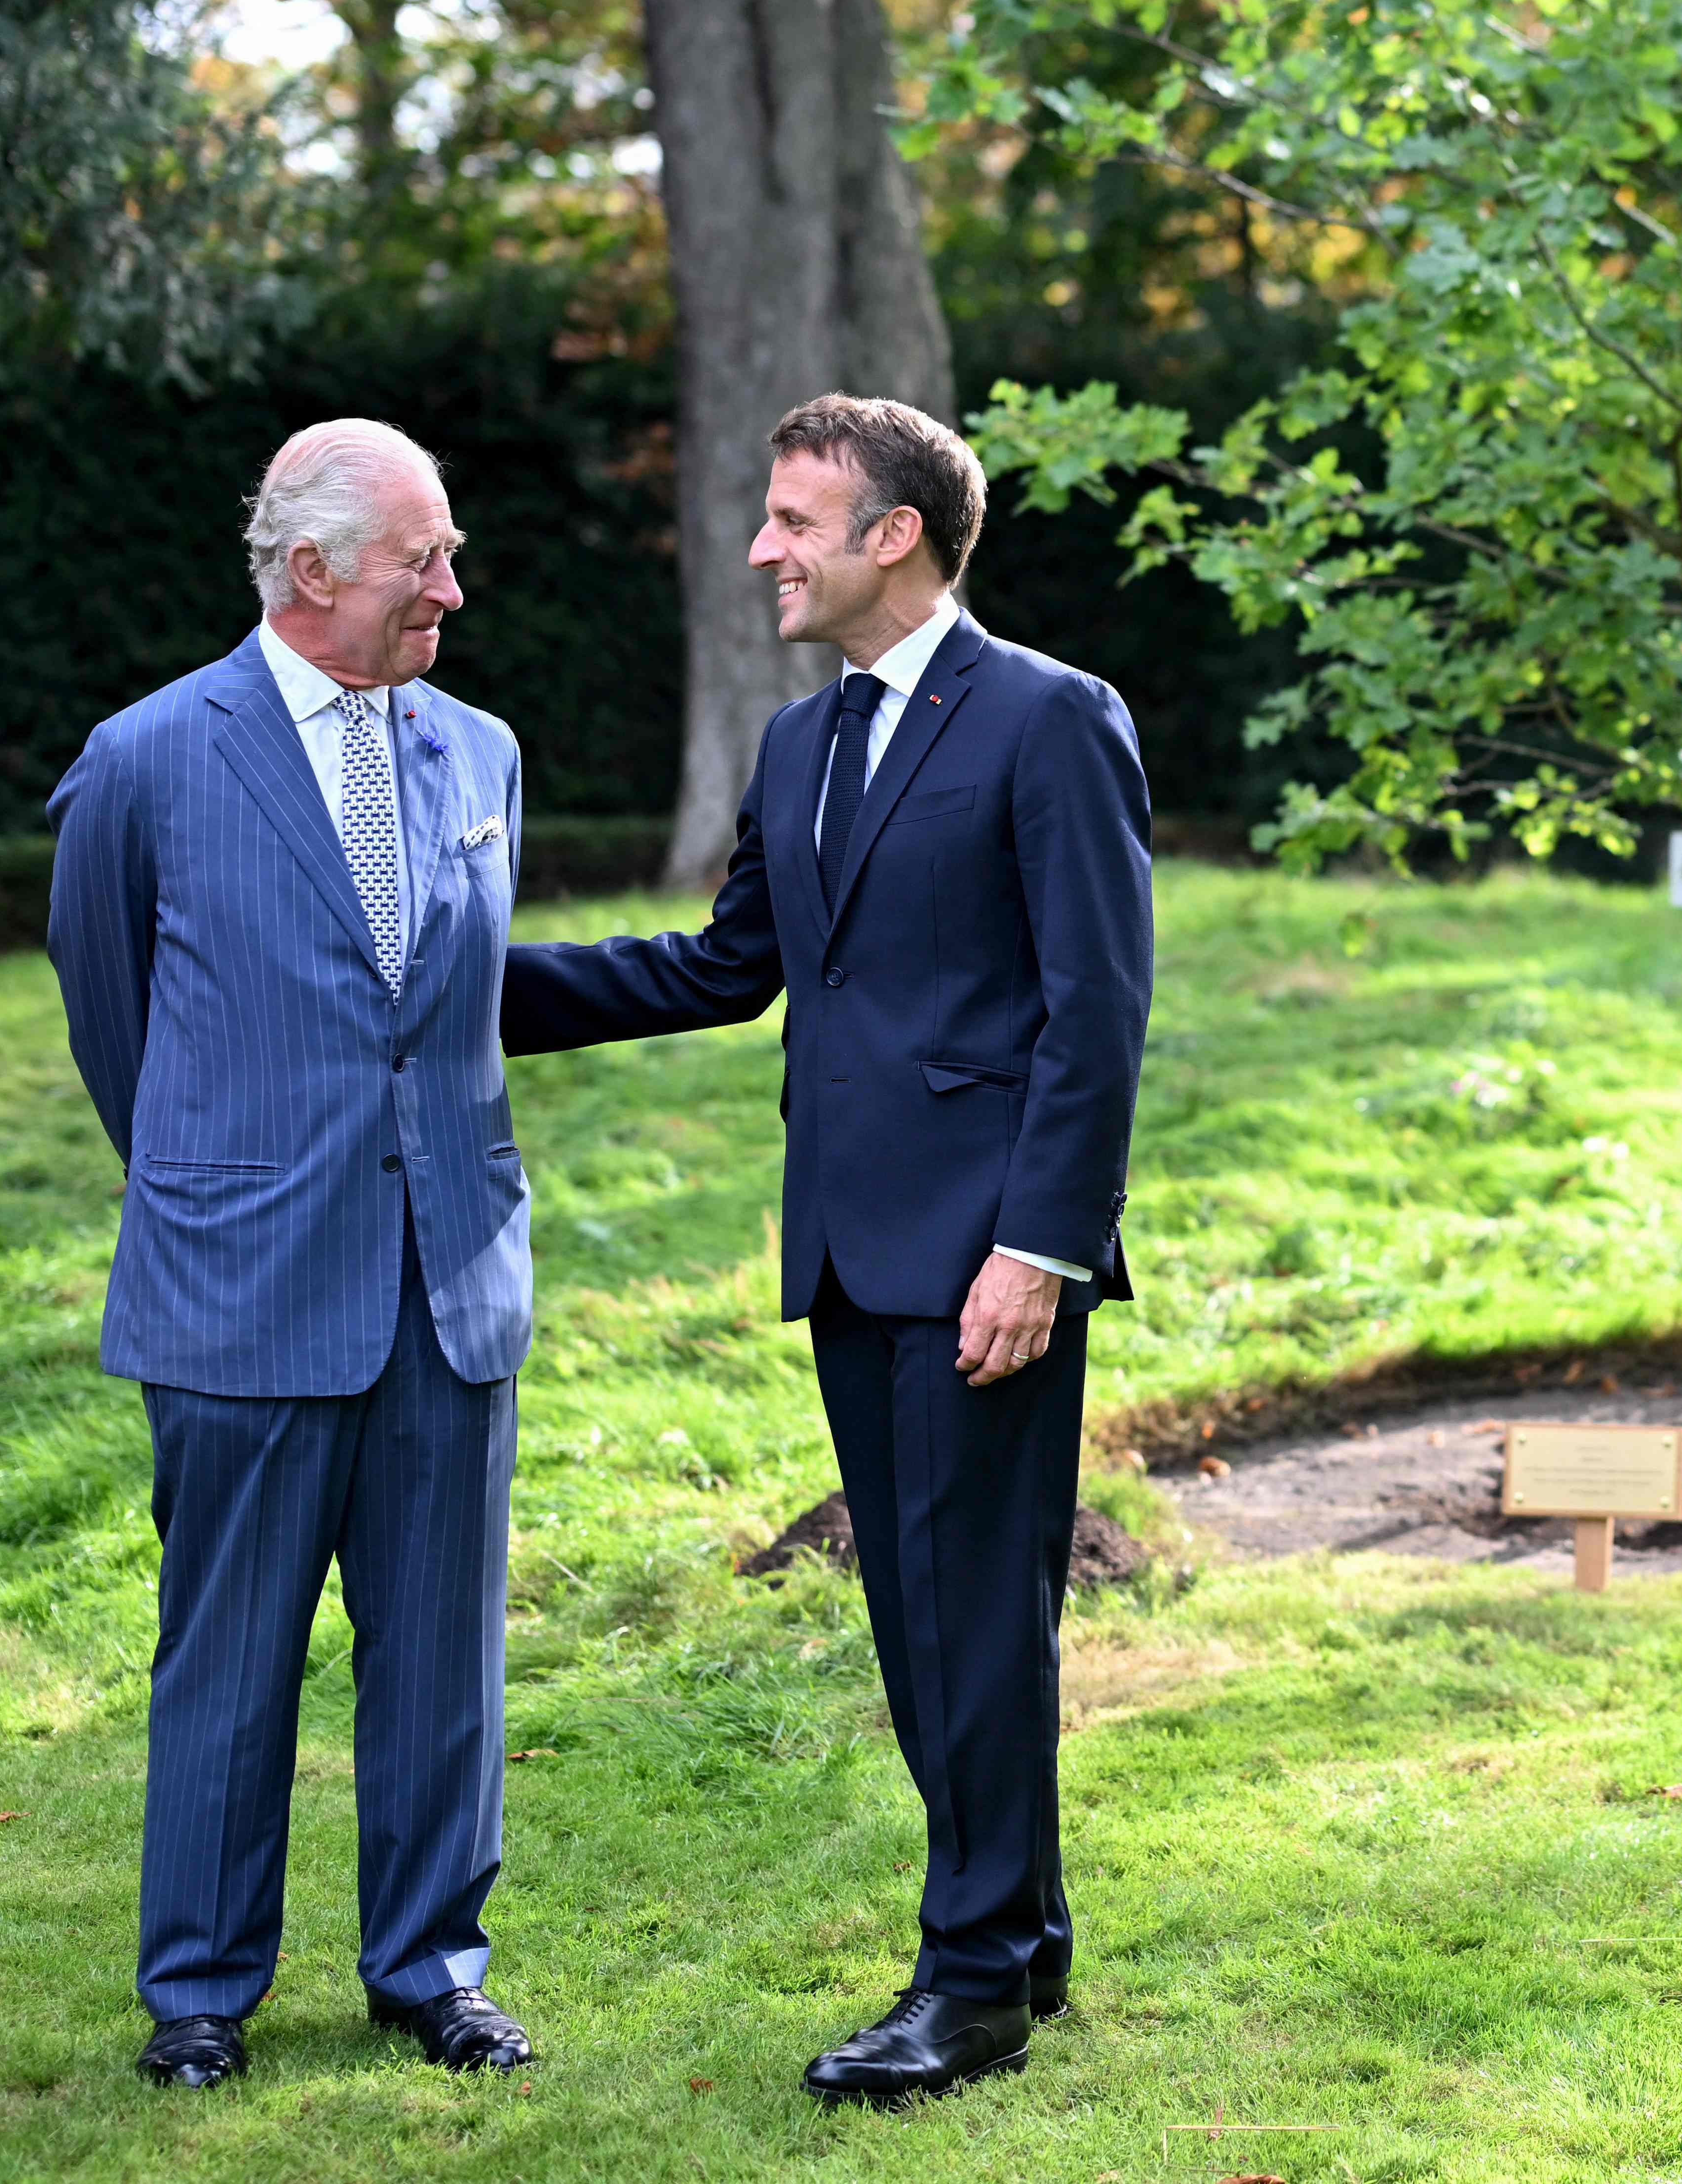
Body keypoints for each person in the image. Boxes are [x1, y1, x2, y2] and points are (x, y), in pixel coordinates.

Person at [503, 394, 1153, 2107]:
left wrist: (1042, 1244)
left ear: (896, 536)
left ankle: (972, 1987)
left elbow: (1099, 1013)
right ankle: (1027, 1933)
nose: (758, 549)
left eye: (794, 519)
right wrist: (464, 985)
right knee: (929, 1613)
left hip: (986, 1258)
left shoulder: (1048, 720)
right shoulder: (798, 748)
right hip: (848, 1252)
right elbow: (726, 969)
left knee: (966, 1614)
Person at [46, 420, 537, 2089]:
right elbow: (116, 1025)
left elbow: (454, 1015)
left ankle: (430, 1969)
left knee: (443, 1667)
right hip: (238, 1294)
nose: (452, 590)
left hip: (447, 1286)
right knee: (231, 1663)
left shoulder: (480, 753)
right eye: (425, 561)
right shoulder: (145, 758)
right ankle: (197, 1992)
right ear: (313, 569)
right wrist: (227, 1186)